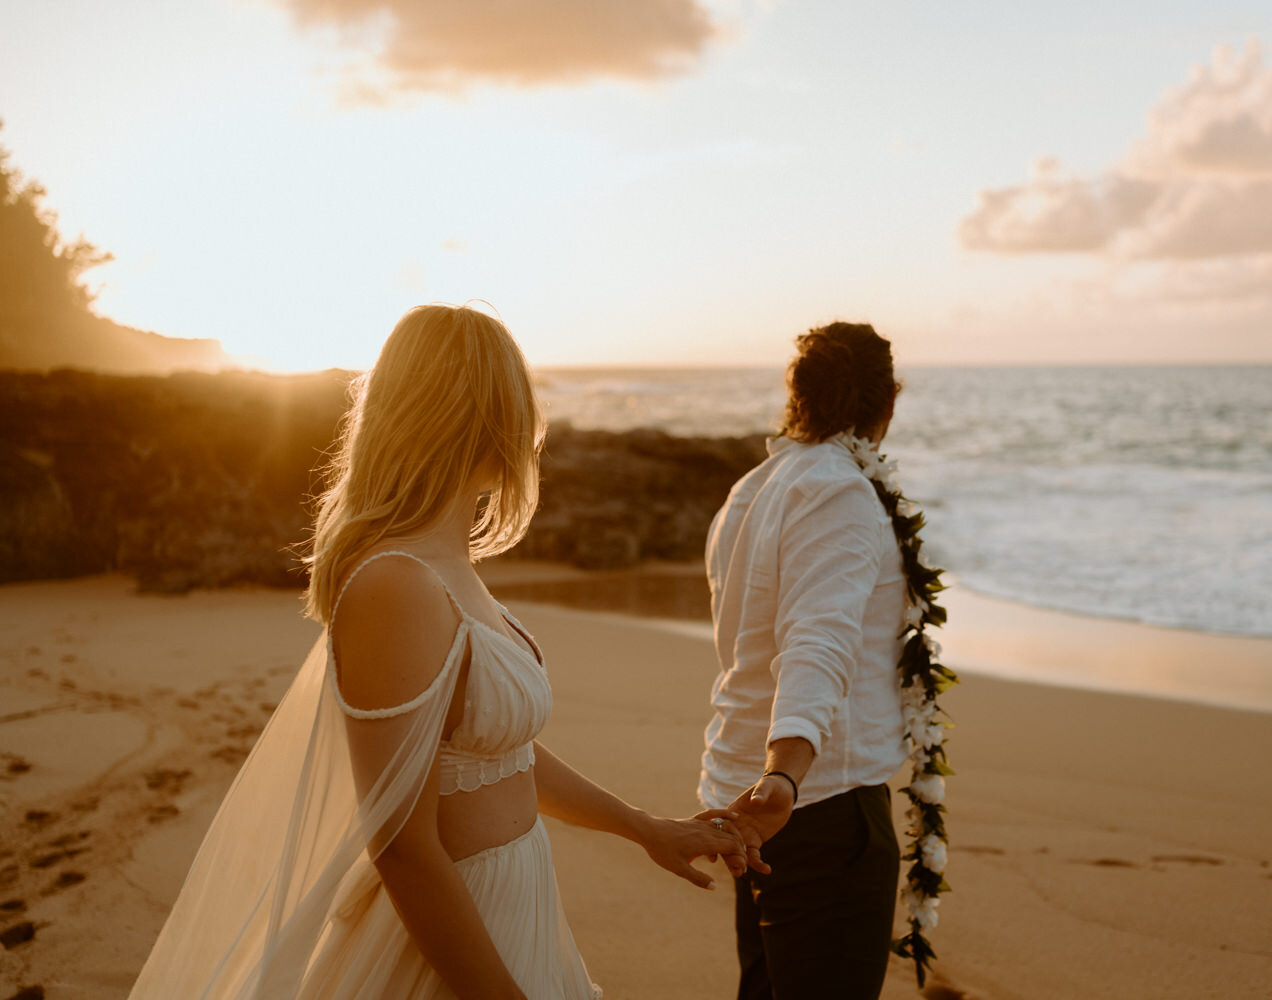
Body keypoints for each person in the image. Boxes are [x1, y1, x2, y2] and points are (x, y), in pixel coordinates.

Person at [129, 304, 745, 999]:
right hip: (448, 947)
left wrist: (643, 828)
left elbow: (493, 754)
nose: (531, 434)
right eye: (519, 409)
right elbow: (402, 846)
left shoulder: (449, 566)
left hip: (518, 910)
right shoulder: (395, 585)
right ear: (483, 419)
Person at [698, 322, 907, 1000]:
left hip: (755, 801)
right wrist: (785, 773)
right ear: (888, 404)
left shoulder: (752, 489)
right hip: (816, 803)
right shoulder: (839, 492)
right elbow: (816, 640)